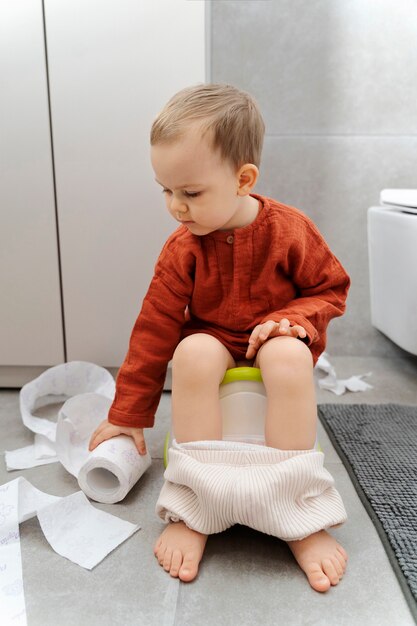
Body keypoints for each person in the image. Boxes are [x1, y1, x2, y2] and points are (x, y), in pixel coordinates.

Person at [89, 83, 350, 592]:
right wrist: (127, 414)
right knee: (192, 351)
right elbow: (153, 328)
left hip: (274, 338)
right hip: (212, 340)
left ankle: (299, 514)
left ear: (243, 179)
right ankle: (196, 507)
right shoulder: (181, 249)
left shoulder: (290, 231)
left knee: (287, 359)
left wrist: (293, 318)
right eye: (165, 190)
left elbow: (330, 288)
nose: (175, 207)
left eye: (190, 193)